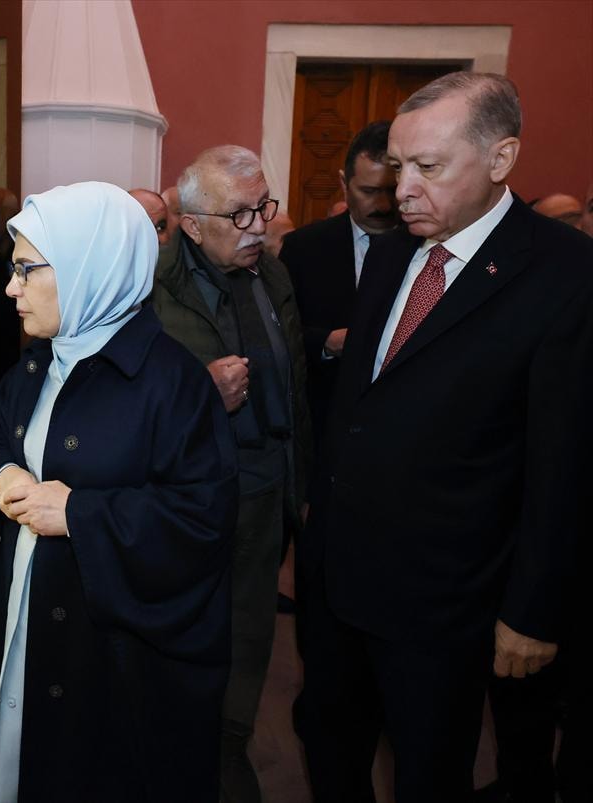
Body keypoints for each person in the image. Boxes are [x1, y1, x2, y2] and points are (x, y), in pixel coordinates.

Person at [295, 72, 593, 803]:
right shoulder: (392, 252)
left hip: (447, 602)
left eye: (428, 167)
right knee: (331, 751)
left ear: (500, 158)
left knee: (429, 772)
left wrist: (533, 611)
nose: (403, 190)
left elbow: (565, 463)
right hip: (337, 583)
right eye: (400, 167)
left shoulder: (568, 273)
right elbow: (359, 405)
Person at [0, 181, 238, 802]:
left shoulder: (175, 384)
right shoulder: (40, 362)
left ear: (89, 268)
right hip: (27, 617)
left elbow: (203, 523)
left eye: (25, 270)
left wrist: (79, 513)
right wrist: (4, 475)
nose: (10, 288)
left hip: (113, 664)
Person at [151, 145, 310, 803]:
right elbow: (122, 401)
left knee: (249, 631)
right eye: (239, 214)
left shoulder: (272, 274)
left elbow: (296, 388)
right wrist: (199, 393)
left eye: (262, 207)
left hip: (266, 488)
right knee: (183, 631)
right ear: (190, 224)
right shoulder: (149, 289)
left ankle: (229, 745)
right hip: (186, 499)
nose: (258, 227)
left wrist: (301, 484)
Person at [280, 121, 399, 449]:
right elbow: (280, 333)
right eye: (369, 191)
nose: (383, 205)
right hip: (326, 428)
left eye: (391, 191)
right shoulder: (303, 248)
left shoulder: (427, 246)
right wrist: (326, 343)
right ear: (344, 184)